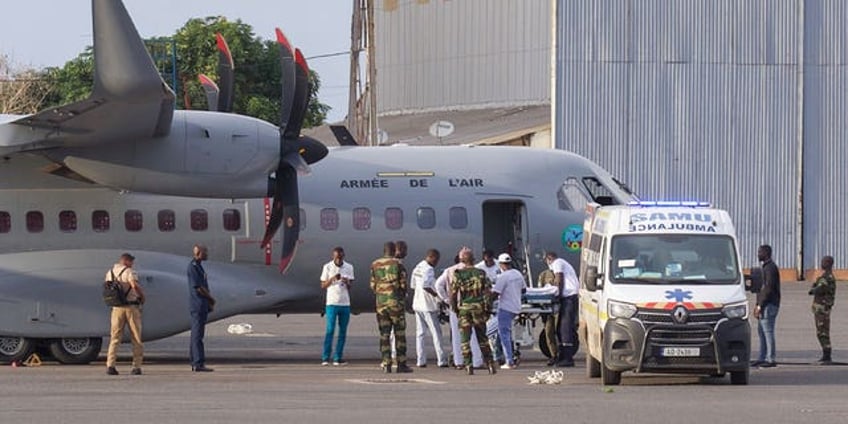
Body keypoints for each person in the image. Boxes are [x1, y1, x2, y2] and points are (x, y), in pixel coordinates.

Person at [449, 247, 497, 375]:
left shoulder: (458, 274)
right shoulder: (481, 273)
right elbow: (488, 293)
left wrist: (455, 309)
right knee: (483, 338)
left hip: (464, 309)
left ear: (462, 260)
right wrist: (488, 309)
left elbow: (453, 294)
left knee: (465, 339)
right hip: (479, 309)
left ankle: (468, 365)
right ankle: (490, 364)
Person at [435, 254, 484, 369]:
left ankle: (459, 362)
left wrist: (446, 300)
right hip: (473, 306)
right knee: (474, 334)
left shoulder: (450, 270)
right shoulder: (477, 271)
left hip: (456, 306)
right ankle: (476, 361)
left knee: (457, 335)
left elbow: (438, 285)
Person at [370, 241, 412, 373]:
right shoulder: (398, 264)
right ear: (394, 250)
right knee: (399, 334)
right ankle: (401, 364)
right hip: (395, 304)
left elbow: (372, 285)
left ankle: (386, 363)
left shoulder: (375, 264)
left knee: (384, 334)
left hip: (381, 304)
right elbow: (404, 284)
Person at [105, 253, 145, 376]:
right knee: (136, 337)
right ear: (126, 261)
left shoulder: (110, 272)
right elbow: (134, 285)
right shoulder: (129, 272)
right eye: (131, 262)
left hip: (116, 308)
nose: (132, 264)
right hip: (130, 307)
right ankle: (136, 366)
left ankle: (110, 365)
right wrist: (142, 296)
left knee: (115, 337)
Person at [410, 249, 448, 368]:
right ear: (431, 257)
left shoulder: (418, 267)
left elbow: (413, 285)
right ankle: (441, 360)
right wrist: (437, 296)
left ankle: (421, 360)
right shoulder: (429, 269)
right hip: (428, 306)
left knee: (420, 333)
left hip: (417, 304)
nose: (437, 262)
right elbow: (425, 285)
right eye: (436, 260)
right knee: (436, 333)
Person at [320, 246, 354, 366]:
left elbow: (350, 286)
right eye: (336, 258)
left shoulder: (349, 267)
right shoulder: (327, 267)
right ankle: (325, 357)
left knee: (342, 331)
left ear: (343, 256)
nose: (338, 260)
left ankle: (337, 358)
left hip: (345, 303)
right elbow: (323, 285)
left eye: (340, 258)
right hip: (332, 303)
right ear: (333, 257)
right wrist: (333, 279)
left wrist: (346, 281)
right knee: (330, 330)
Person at [546, 251, 580, 367]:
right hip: (569, 298)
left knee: (565, 328)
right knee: (561, 328)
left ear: (548, 259)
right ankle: (563, 356)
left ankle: (568, 358)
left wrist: (558, 295)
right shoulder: (563, 263)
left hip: (569, 298)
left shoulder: (557, 263)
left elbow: (559, 278)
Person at [492, 253, 525, 369]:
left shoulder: (503, 277)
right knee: (501, 334)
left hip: (505, 308)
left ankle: (509, 361)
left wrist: (486, 302)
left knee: (503, 334)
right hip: (516, 307)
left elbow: (495, 293)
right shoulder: (517, 274)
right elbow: (524, 289)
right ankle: (498, 355)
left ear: (501, 264)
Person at [188, 244, 216, 372]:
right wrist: (210, 298)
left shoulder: (198, 266)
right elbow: (198, 287)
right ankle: (198, 363)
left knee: (197, 334)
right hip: (198, 304)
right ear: (198, 253)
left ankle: (195, 362)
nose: (207, 254)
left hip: (201, 304)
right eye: (205, 252)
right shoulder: (193, 267)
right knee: (197, 335)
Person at [753, 244, 780, 368]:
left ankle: (770, 358)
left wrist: (760, 305)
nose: (758, 254)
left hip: (769, 304)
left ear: (766, 253)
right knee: (761, 331)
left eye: (760, 252)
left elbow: (768, 289)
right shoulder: (765, 267)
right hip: (764, 304)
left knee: (768, 331)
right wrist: (757, 304)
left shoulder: (770, 268)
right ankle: (762, 357)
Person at [809, 255, 836, 364]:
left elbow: (819, 288)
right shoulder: (825, 276)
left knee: (822, 331)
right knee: (821, 331)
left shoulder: (827, 277)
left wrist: (813, 290)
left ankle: (827, 354)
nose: (822, 263)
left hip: (823, 308)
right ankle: (826, 354)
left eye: (824, 262)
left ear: (829, 264)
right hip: (820, 308)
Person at [537, 269, 559, 365]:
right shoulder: (544, 274)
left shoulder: (560, 274)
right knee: (549, 332)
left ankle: (558, 356)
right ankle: (554, 355)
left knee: (553, 333)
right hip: (549, 309)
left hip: (557, 308)